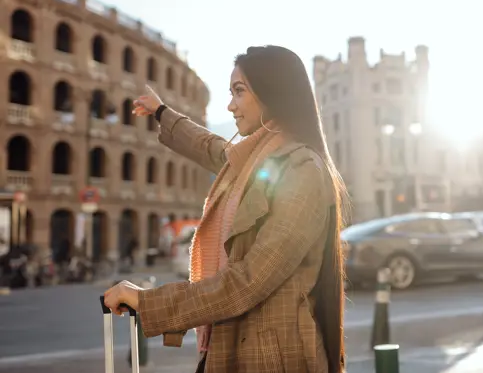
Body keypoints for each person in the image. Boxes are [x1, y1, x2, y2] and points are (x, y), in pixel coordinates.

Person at [104, 46, 348, 373]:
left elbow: (248, 281)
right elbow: (211, 147)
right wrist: (162, 112)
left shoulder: (303, 171)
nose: (230, 105)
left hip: (273, 358)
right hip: (228, 345)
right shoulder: (254, 160)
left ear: (272, 92)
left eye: (239, 91)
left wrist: (149, 301)